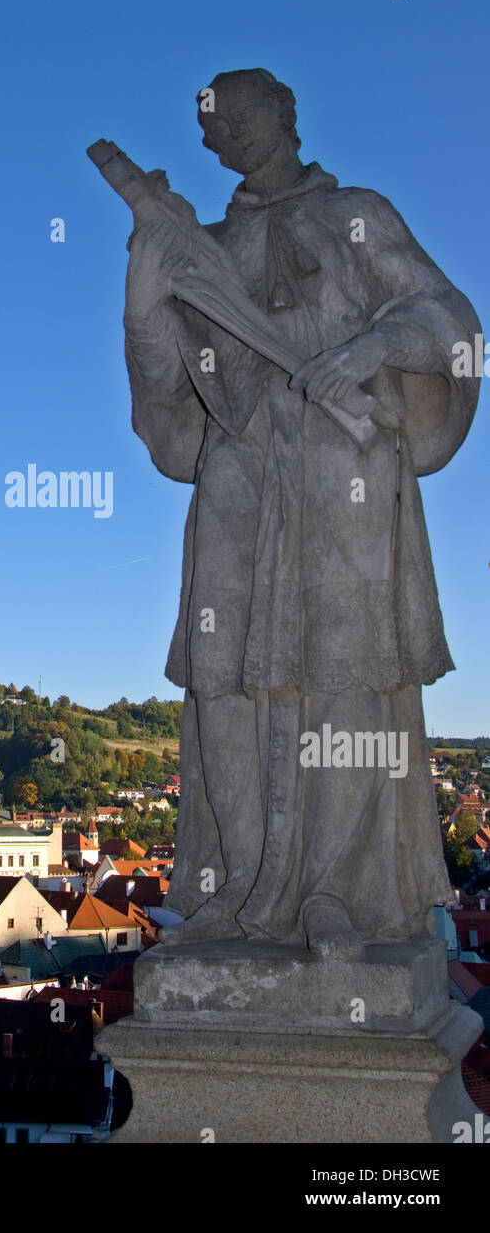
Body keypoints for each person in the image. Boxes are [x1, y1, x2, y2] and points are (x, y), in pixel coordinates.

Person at [123, 68, 480, 957]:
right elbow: (167, 405)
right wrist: (142, 305)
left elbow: (453, 326)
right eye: (214, 127)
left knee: (346, 673)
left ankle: (333, 892)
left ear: (284, 115)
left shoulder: (357, 214)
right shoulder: (197, 249)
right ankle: (236, 890)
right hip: (237, 483)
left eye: (243, 117)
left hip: (344, 477)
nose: (228, 137)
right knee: (224, 678)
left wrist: (370, 349)